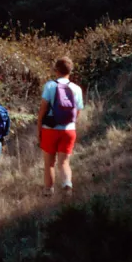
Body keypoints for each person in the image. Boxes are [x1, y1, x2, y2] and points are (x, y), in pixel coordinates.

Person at [38, 57, 84, 196]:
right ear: (70, 71)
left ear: (56, 70)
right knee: (64, 162)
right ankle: (67, 186)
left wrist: (39, 128)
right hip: (69, 130)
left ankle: (48, 192)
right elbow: (78, 112)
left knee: (49, 163)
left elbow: (43, 109)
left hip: (50, 129)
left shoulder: (50, 86)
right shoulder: (76, 88)